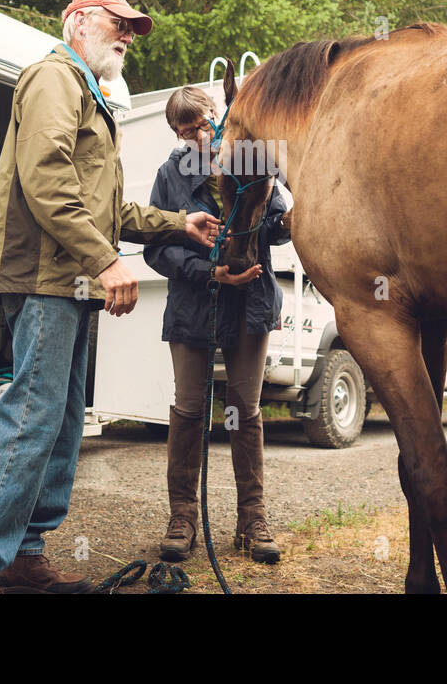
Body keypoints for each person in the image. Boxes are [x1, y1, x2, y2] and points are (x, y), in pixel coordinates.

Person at [0, 0, 220, 594]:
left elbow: (107, 207)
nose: (127, 36)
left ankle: (22, 554)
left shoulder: (91, 92)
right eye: (119, 24)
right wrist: (106, 260)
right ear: (79, 20)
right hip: (44, 278)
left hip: (68, 281)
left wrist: (178, 223)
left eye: (134, 30)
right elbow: (47, 179)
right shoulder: (54, 76)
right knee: (32, 417)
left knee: (61, 424)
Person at [143, 86, 291, 564]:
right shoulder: (170, 174)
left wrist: (284, 223)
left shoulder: (253, 158)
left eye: (205, 123)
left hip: (250, 302)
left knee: (245, 410)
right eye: (186, 132)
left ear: (219, 114)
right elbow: (156, 249)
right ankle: (183, 517)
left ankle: (252, 519)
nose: (200, 136)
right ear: (177, 136)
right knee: (189, 408)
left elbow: (269, 227)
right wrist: (208, 272)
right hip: (195, 305)